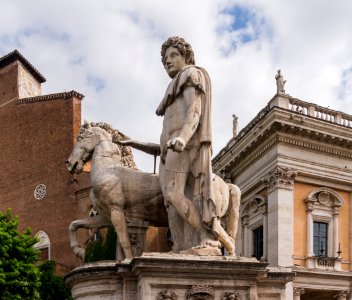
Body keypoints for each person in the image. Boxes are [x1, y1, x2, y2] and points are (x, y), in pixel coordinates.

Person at [119, 36, 225, 252]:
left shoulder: (190, 74)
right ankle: (179, 245)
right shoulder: (172, 88)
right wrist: (133, 142)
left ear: (185, 56)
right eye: (165, 58)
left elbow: (194, 111)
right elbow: (162, 146)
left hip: (184, 146)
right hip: (173, 150)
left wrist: (183, 138)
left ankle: (206, 237)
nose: (167, 61)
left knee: (172, 195)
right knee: (170, 203)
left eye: (173, 55)